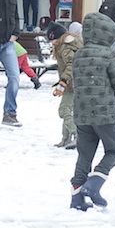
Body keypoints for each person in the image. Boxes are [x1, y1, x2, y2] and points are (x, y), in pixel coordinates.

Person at [69, 9, 115, 209]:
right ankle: (93, 184)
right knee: (113, 150)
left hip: (81, 113)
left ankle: (76, 198)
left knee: (84, 155)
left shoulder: (79, 54)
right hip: (104, 115)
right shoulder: (109, 55)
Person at [50, 20, 82, 148]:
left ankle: (75, 134)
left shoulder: (65, 47)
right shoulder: (70, 43)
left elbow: (71, 65)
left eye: (52, 40)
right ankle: (66, 137)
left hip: (72, 83)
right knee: (68, 108)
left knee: (64, 110)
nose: (51, 43)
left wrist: (63, 80)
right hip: (76, 83)